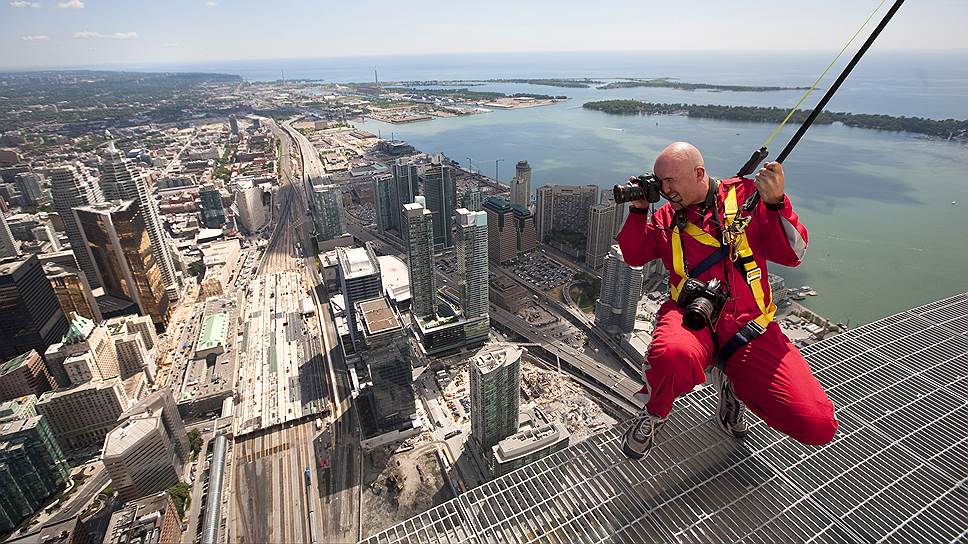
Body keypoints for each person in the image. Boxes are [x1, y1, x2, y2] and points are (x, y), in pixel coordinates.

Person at [616, 142, 837, 460]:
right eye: (659, 182)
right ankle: (655, 412)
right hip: (690, 316)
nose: (664, 190)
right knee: (672, 355)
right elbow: (635, 255)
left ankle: (736, 387)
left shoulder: (746, 197)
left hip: (748, 325)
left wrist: (776, 203)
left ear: (699, 173)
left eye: (670, 181)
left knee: (818, 424)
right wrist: (638, 209)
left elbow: (792, 254)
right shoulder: (666, 218)